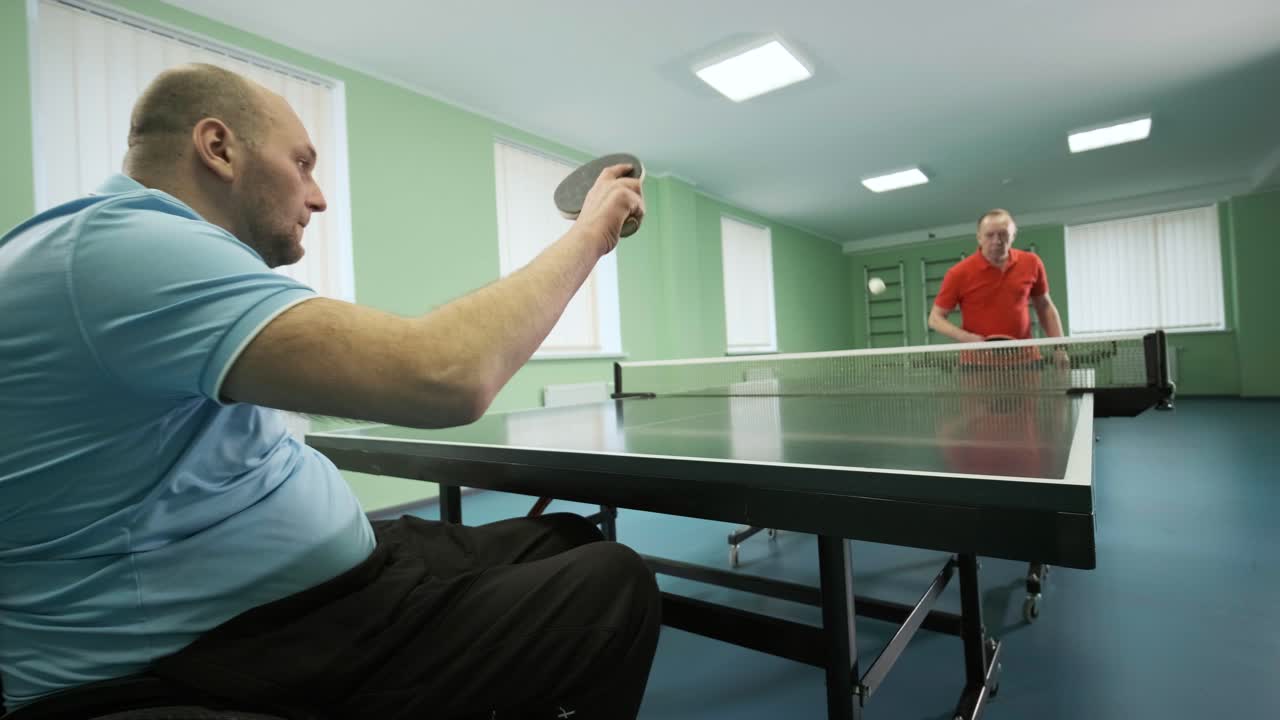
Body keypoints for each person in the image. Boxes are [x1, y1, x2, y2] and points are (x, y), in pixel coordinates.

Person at [0, 63, 659, 719]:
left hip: (314, 592)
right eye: (303, 163)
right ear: (218, 148)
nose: (317, 197)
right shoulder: (126, 248)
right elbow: (445, 375)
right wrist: (591, 230)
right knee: (614, 584)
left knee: (568, 537)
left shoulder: (122, 246)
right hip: (214, 651)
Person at [928, 208, 1066, 347]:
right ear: (979, 238)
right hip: (977, 361)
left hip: (1025, 358)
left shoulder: (1032, 262)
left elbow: (1045, 307)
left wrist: (1060, 348)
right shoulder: (958, 273)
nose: (997, 241)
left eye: (1003, 234)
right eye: (989, 235)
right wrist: (966, 337)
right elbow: (935, 319)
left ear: (1013, 236)